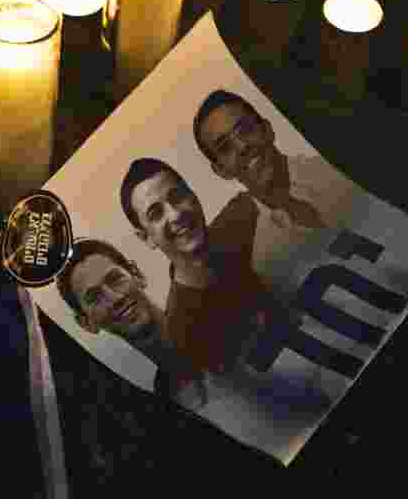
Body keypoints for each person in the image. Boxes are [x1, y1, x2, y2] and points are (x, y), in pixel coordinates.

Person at [119, 158, 331, 417]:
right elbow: (265, 399)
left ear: (193, 196)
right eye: (156, 214)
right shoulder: (185, 328)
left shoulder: (245, 214)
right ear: (146, 237)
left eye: (177, 197)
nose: (175, 214)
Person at [191, 89, 360, 295]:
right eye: (225, 147)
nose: (243, 146)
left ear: (267, 129)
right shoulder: (265, 260)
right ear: (221, 171)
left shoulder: (337, 165)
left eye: (245, 130)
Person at [56, 238, 209, 410]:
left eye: (115, 280)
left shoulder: (214, 323)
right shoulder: (154, 408)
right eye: (95, 298)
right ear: (86, 323)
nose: (116, 299)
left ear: (137, 274)